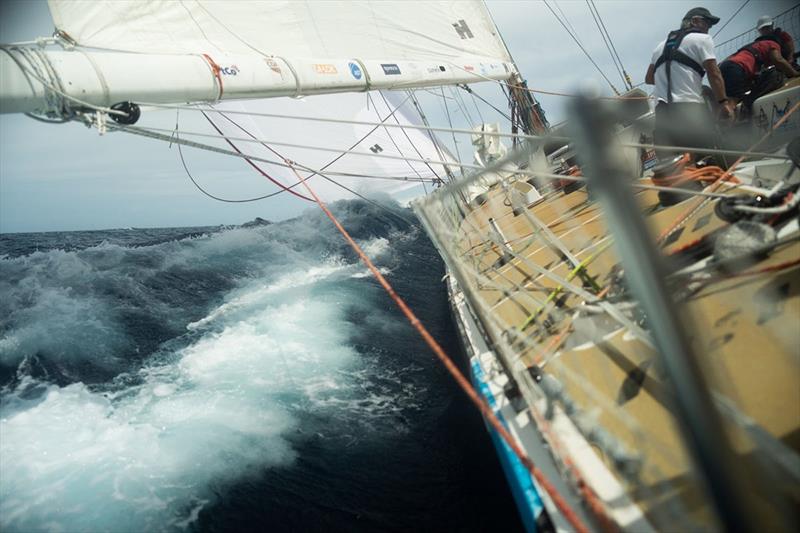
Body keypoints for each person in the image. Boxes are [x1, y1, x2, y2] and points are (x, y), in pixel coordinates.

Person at [645, 7, 733, 161]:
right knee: (705, 160)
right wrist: (723, 102)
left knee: (673, 168)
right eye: (707, 23)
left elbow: (649, 79)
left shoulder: (658, 48)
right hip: (689, 110)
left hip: (663, 116)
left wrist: (668, 80)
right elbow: (714, 73)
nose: (708, 29)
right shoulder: (702, 40)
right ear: (694, 21)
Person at [719, 32, 798, 109]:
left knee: (727, 103)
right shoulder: (772, 43)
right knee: (732, 104)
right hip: (736, 68)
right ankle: (744, 106)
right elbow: (778, 60)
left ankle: (722, 118)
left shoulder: (751, 48)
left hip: (725, 68)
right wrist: (794, 73)